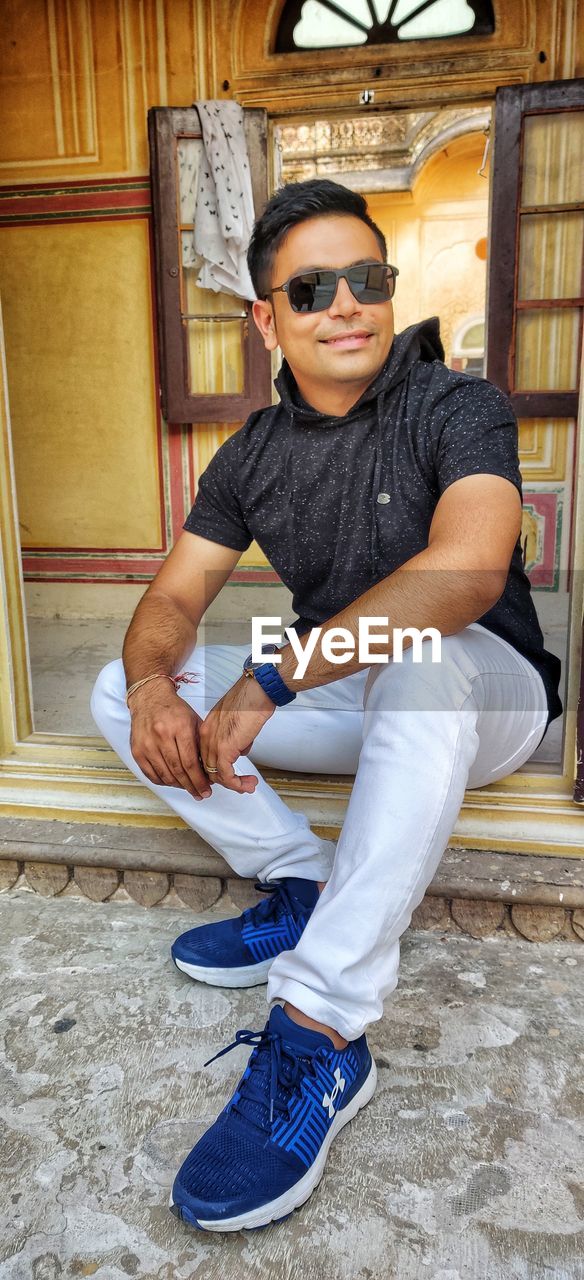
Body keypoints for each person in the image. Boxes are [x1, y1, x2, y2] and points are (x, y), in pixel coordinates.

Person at [91, 179, 562, 1234]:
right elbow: (172, 596)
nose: (345, 303)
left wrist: (269, 678)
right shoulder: (251, 451)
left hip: (480, 691)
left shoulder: (453, 405)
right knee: (119, 682)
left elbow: (466, 572)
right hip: (343, 684)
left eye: (368, 279)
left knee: (422, 655)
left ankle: (322, 1028)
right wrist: (161, 685)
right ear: (266, 316)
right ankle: (300, 875)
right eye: (311, 288)